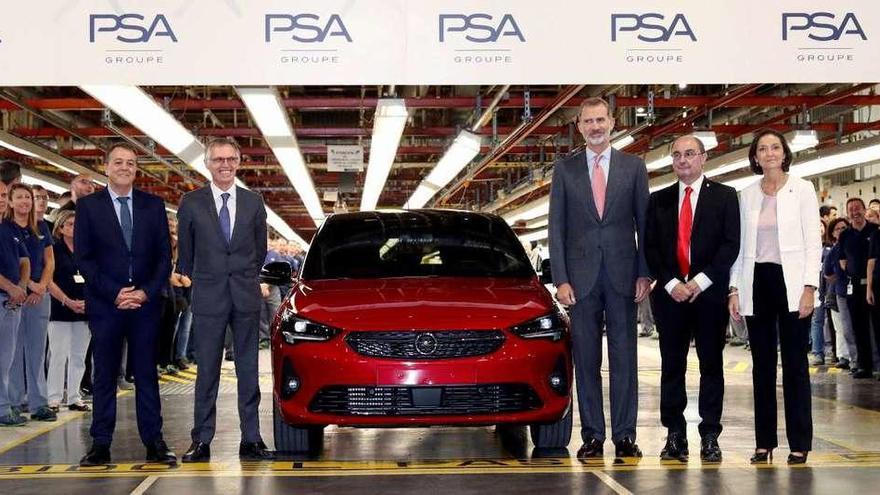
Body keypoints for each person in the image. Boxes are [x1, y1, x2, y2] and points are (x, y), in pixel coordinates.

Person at [548, 97, 650, 459]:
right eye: (588, 121)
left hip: (624, 278)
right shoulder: (565, 169)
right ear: (579, 126)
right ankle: (592, 435)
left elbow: (645, 225)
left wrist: (644, 272)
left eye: (601, 120)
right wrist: (560, 278)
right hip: (580, 280)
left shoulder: (634, 167)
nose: (595, 127)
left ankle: (625, 435)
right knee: (586, 361)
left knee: (625, 361)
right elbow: (556, 229)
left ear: (612, 122)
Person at [75, 143, 175, 466]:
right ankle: (100, 443)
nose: (124, 167)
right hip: (106, 306)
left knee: (147, 373)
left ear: (136, 169)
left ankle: (154, 441)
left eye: (130, 163)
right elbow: (84, 259)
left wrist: (145, 292)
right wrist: (116, 292)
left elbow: (164, 257)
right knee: (104, 374)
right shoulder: (89, 207)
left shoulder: (153, 205)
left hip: (145, 307)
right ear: (106, 167)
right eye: (118, 162)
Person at [645, 135, 740, 462]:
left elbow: (730, 245)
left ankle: (710, 434)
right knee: (672, 367)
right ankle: (675, 434)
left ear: (703, 158)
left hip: (709, 295)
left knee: (711, 365)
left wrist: (699, 281)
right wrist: (671, 283)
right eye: (677, 155)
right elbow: (651, 247)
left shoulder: (726, 197)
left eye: (689, 154)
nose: (683, 160)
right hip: (670, 296)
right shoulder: (658, 200)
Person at [729, 129, 821, 465]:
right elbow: (740, 249)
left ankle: (800, 442)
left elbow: (813, 242)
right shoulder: (747, 194)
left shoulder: (803, 189)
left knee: (796, 366)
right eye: (762, 149)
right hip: (758, 283)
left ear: (784, 154)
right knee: (762, 367)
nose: (769, 153)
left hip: (793, 284)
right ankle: (764, 442)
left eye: (775, 148)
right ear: (755, 156)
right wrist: (735, 289)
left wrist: (810, 287)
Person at [177, 137, 272, 462]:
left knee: (248, 370)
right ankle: (201, 440)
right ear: (207, 163)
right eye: (218, 159)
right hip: (208, 296)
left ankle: (252, 439)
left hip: (244, 297)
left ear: (239, 161)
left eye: (231, 159)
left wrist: (244, 275)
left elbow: (260, 249)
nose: (225, 165)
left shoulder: (253, 202)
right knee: (207, 372)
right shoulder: (191, 202)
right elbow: (186, 254)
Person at [5, 184, 56, 422]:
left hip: (39, 297)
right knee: (12, 352)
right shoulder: (6, 228)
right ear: (11, 203)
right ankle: (13, 402)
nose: (25, 201)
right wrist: (29, 285)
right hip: (16, 295)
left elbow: (49, 261)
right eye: (19, 197)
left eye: (28, 197)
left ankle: (39, 404)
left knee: (37, 352)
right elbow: (12, 263)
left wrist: (43, 286)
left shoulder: (41, 226)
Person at [46, 210, 90, 412]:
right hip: (60, 309)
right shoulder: (54, 250)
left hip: (84, 310)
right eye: (69, 224)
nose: (74, 227)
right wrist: (67, 300)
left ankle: (74, 396)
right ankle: (53, 398)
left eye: (77, 224)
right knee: (58, 355)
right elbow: (49, 281)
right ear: (61, 228)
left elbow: (95, 278)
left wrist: (89, 302)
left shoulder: (87, 251)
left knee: (79, 355)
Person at [0, 179, 30, 426]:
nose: (0, 199)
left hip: (12, 301)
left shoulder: (10, 228)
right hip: (3, 295)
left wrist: (20, 287)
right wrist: (10, 287)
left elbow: (25, 261)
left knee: (6, 359)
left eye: (2, 194)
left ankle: (4, 406)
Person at [838, 198, 877, 379]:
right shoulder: (845, 235)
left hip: (875, 285)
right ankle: (864, 366)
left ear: (864, 210)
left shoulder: (874, 230)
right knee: (858, 328)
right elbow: (841, 259)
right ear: (848, 213)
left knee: (878, 327)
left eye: (858, 209)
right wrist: (852, 271)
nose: (855, 212)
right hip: (854, 287)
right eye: (851, 209)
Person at [824, 218, 855, 371]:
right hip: (839, 293)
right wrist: (840, 279)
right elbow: (827, 274)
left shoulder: (856, 245)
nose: (842, 231)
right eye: (838, 229)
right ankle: (847, 358)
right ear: (832, 233)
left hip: (859, 292)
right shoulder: (833, 251)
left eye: (844, 227)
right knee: (843, 328)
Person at [809, 220, 831, 366]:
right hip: (813, 289)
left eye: (821, 225)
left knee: (829, 322)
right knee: (816, 321)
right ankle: (817, 352)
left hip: (828, 289)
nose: (819, 228)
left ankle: (832, 351)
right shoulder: (809, 248)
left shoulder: (829, 248)